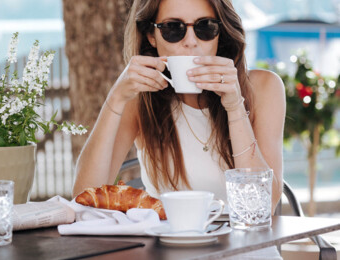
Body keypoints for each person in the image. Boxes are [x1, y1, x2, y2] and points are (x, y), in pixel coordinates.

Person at [73, 0, 285, 258]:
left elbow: (264, 206)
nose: (191, 41)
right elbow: (84, 198)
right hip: (170, 253)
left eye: (205, 28)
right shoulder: (140, 99)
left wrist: (234, 106)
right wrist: (115, 98)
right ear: (151, 36)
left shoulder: (263, 87)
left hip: (248, 253)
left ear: (221, 33)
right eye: (173, 29)